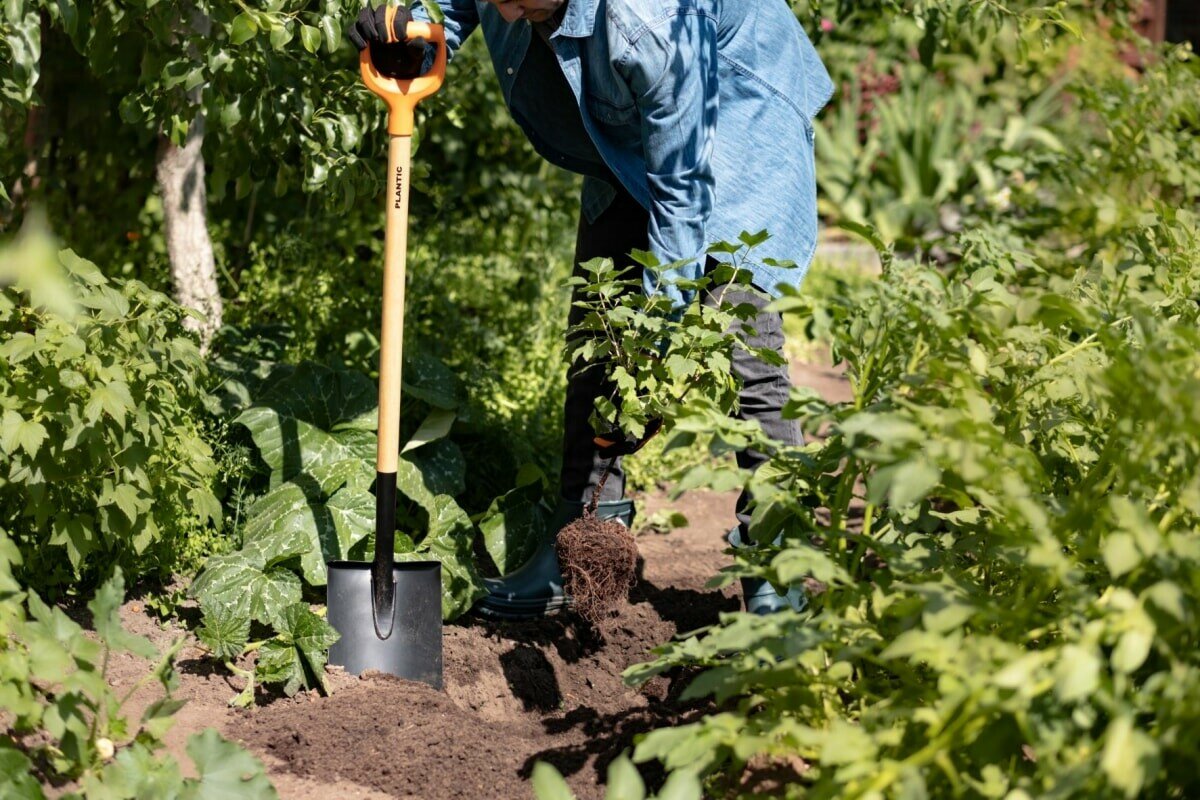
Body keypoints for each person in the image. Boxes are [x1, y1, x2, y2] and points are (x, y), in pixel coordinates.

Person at [349, 0, 833, 618]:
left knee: (741, 328)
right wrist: (409, 25)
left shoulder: (649, 21)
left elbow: (683, 197)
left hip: (737, 106)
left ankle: (779, 574)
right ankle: (584, 542)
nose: (502, 7)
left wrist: (652, 360)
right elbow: (450, 7)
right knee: (599, 307)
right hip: (624, 111)